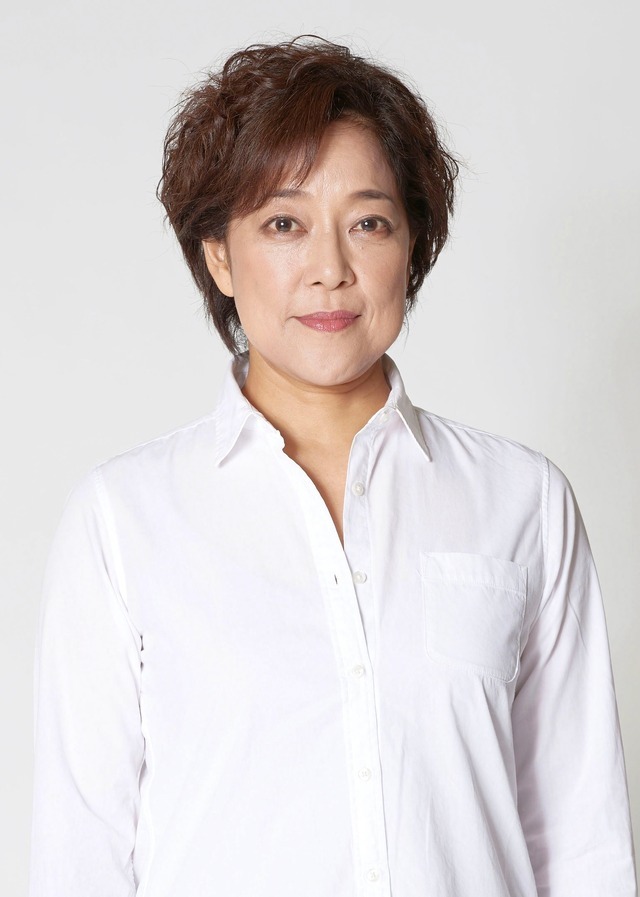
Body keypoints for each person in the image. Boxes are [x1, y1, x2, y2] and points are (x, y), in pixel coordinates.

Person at [29, 35, 637, 897]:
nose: (330, 269)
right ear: (219, 253)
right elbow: (79, 858)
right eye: (284, 223)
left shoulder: (523, 501)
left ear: (411, 244)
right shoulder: (123, 520)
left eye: (368, 223)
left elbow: (584, 845)